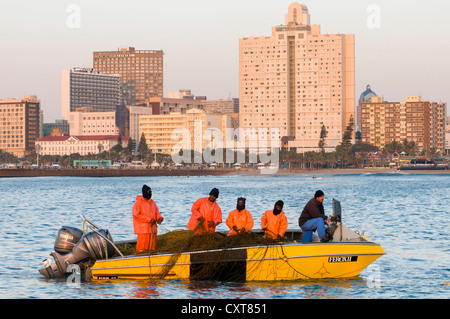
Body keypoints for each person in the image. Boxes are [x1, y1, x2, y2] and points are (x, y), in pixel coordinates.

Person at [132, 185, 164, 253]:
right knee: (142, 250)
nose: (150, 193)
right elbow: (136, 215)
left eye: (151, 192)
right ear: (144, 192)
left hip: (152, 230)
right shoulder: (138, 203)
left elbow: (156, 212)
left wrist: (159, 218)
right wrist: (149, 219)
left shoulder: (152, 202)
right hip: (143, 231)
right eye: (149, 192)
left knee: (152, 249)